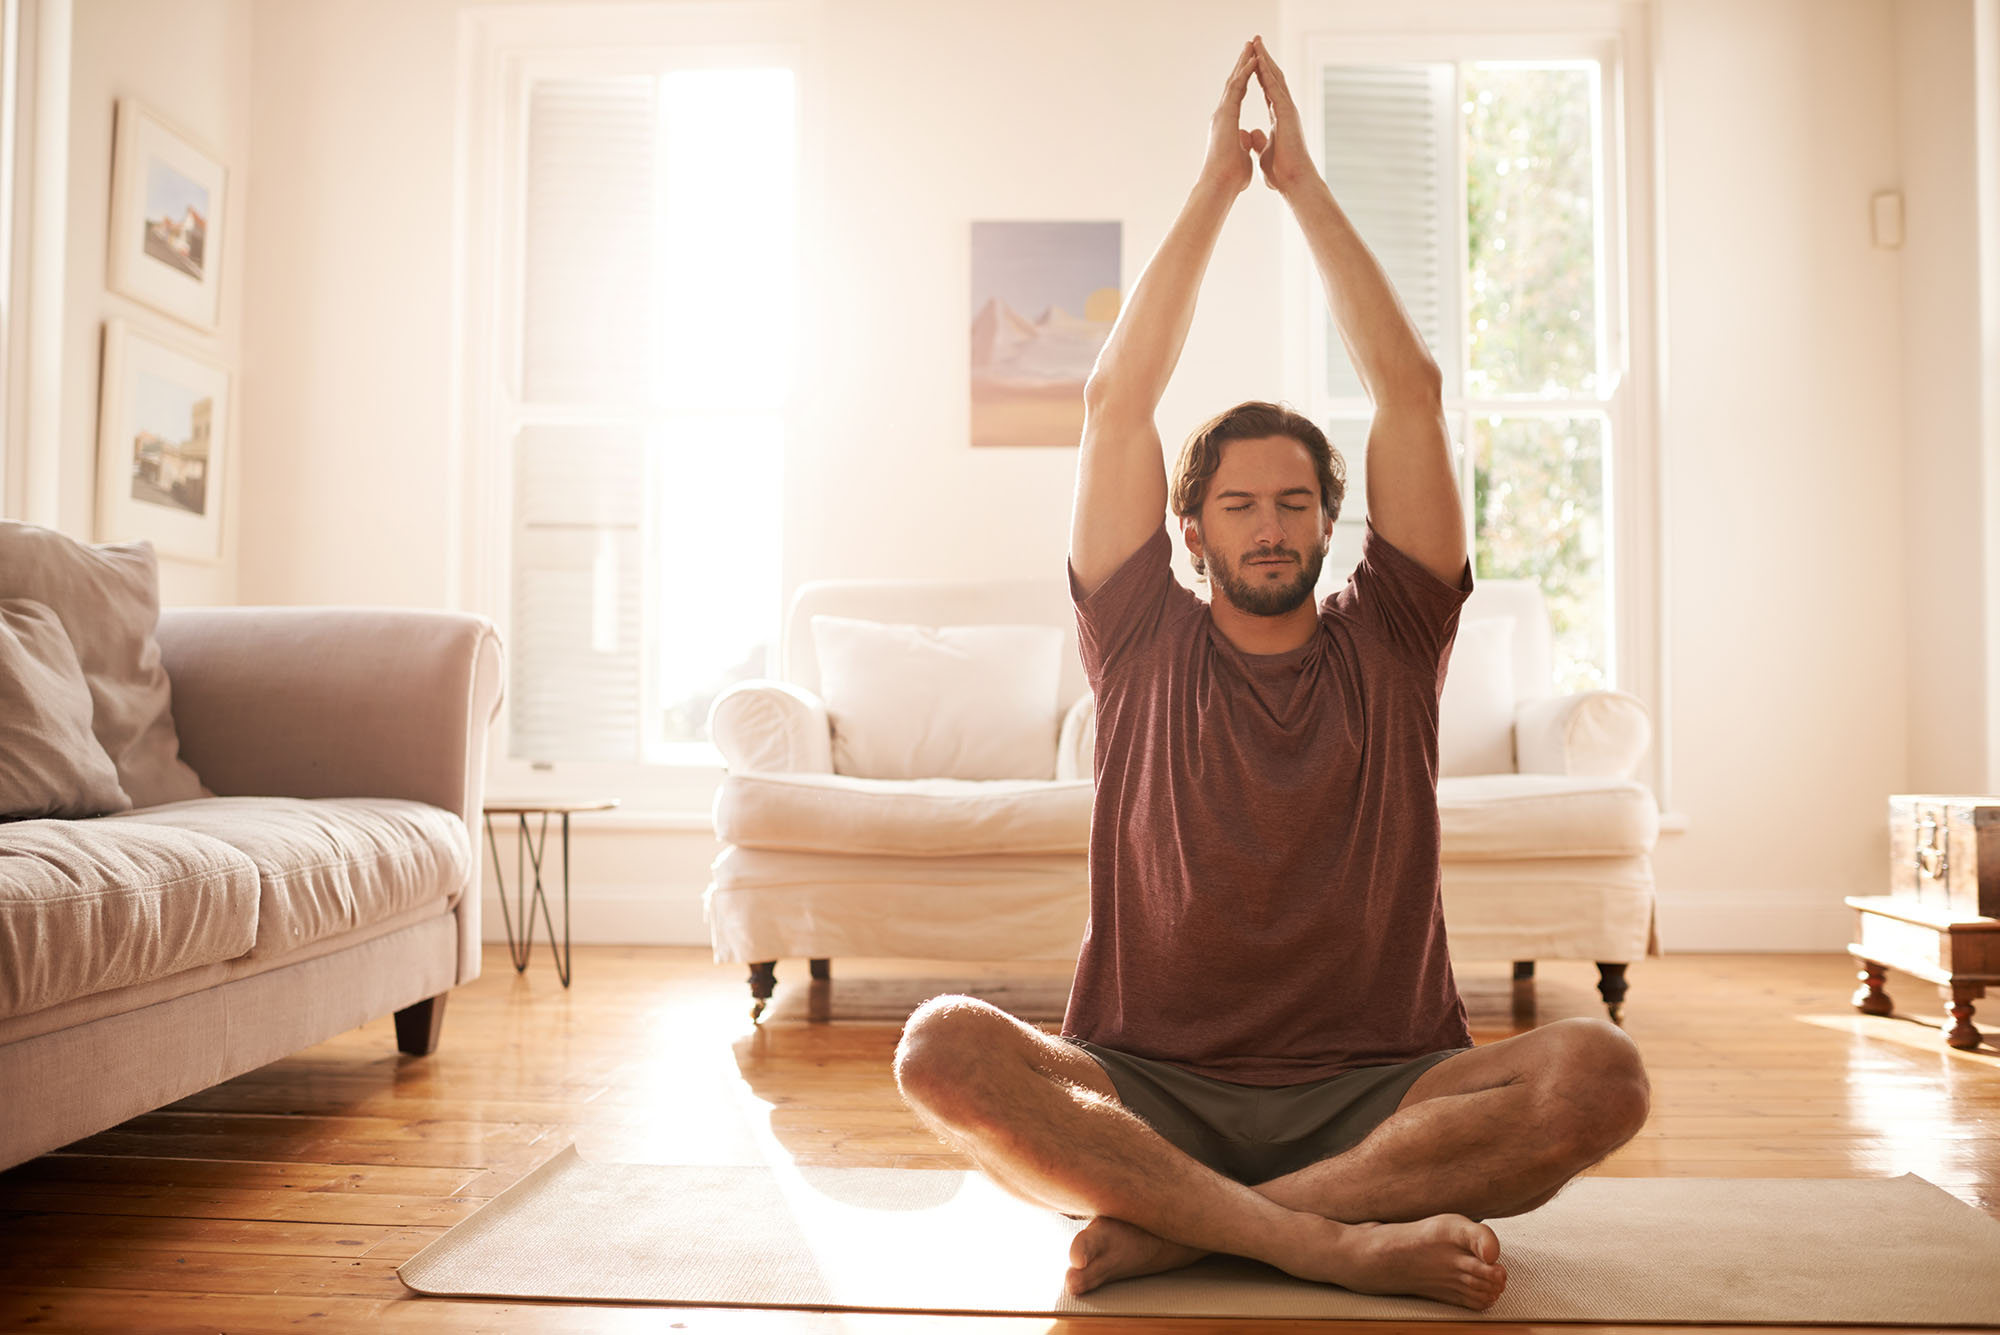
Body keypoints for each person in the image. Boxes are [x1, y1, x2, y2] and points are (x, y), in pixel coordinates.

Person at [892, 37, 1649, 1311]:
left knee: (1603, 1077)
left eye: (1294, 503)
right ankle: (1324, 1240)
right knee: (939, 1049)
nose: (1267, 525)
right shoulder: (1137, 634)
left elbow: (1408, 391)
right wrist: (1214, 184)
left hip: (1382, 1087)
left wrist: (1298, 185)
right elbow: (1114, 401)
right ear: (1188, 530)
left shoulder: (1395, 638)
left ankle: (1195, 1229)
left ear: (1328, 523)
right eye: (1237, 503)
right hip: (1145, 1079)